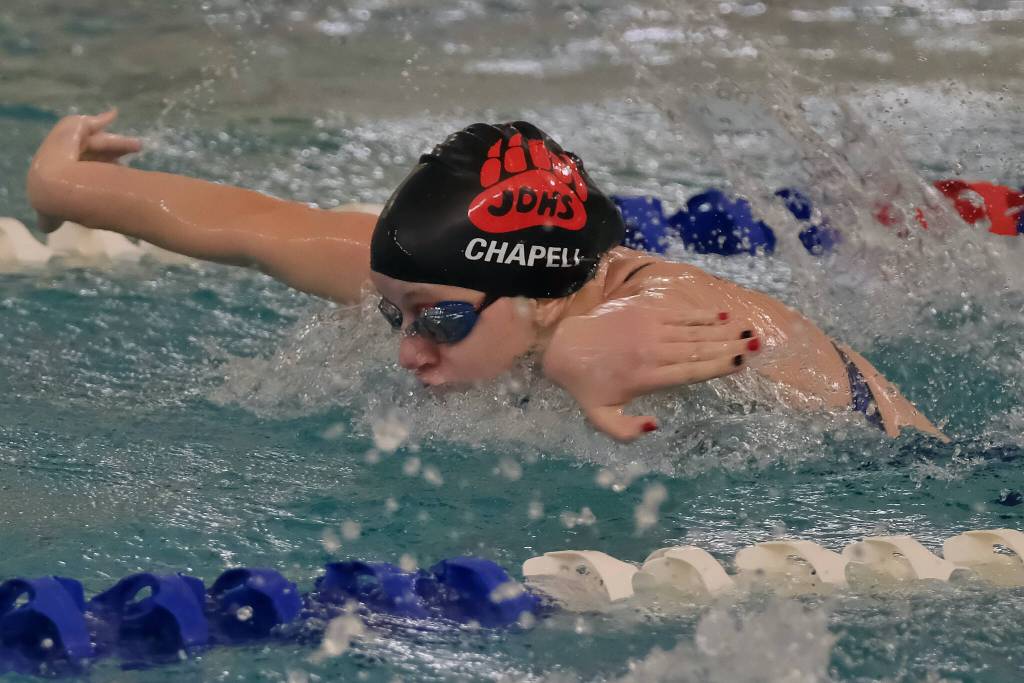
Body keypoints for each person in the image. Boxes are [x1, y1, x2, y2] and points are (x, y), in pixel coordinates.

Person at [26, 110, 945, 442]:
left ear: (546, 293)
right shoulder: (453, 281)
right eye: (398, 316)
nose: (409, 353)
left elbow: (681, 309)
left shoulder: (676, 305)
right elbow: (255, 226)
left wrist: (581, 354)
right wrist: (63, 181)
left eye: (441, 323)